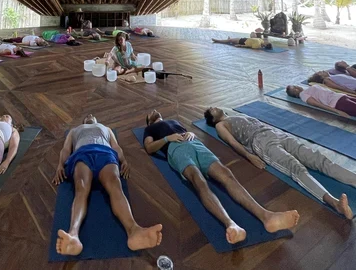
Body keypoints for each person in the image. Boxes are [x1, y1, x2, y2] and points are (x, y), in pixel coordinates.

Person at [143, 110, 298, 244]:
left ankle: (267, 216)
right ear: (149, 121)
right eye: (151, 112)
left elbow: (186, 133)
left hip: (194, 143)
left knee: (227, 175)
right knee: (199, 180)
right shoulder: (150, 129)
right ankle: (231, 224)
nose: (155, 110)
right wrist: (166, 139)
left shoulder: (174, 121)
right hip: (175, 148)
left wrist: (191, 133)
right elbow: (149, 148)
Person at [204, 107, 356, 218]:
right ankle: (334, 203)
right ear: (213, 119)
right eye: (210, 110)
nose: (213, 107)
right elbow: (231, 142)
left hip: (276, 133)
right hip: (261, 142)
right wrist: (249, 156)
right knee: (295, 167)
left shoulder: (236, 114)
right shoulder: (220, 125)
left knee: (317, 158)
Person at [53, 114, 162, 255]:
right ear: (84, 121)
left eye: (92, 115)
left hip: (105, 153)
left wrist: (124, 161)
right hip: (82, 153)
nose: (90, 115)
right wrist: (60, 166)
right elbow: (66, 149)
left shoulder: (106, 128)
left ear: (97, 120)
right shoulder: (75, 130)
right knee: (81, 187)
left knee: (115, 185)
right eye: (87, 115)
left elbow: (116, 146)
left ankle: (134, 230)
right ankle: (73, 234)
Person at [286, 84, 356, 118]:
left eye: (295, 86)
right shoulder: (303, 95)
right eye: (295, 89)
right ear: (295, 94)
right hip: (338, 102)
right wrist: (337, 111)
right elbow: (316, 104)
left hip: (341, 96)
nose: (297, 87)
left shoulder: (309, 89)